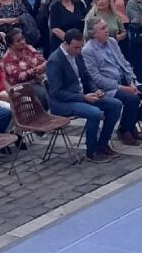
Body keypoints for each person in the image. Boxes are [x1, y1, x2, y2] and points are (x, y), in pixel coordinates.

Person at [82, 19, 142, 147]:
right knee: (132, 99)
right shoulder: (88, 50)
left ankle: (128, 125)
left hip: (126, 80)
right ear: (94, 33)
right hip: (109, 87)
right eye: (103, 28)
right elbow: (97, 78)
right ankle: (126, 130)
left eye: (106, 26)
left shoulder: (112, 42)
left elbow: (124, 63)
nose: (107, 30)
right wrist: (123, 88)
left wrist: (131, 81)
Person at [46, 29, 122, 162]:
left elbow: (87, 76)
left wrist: (95, 89)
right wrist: (83, 97)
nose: (79, 50)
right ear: (66, 44)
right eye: (75, 47)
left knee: (115, 105)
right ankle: (91, 152)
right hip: (63, 102)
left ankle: (102, 144)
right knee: (94, 113)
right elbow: (56, 92)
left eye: (81, 47)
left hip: (82, 95)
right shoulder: (55, 61)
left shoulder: (77, 54)